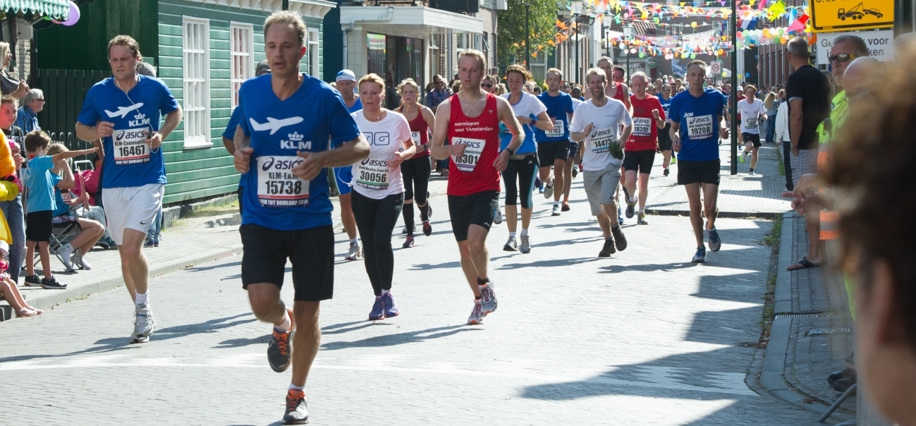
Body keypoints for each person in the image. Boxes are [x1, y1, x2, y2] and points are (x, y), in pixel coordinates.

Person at [231, 11, 369, 424]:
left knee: (310, 313)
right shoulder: (250, 92)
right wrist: (238, 152)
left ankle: (296, 392)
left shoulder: (323, 96)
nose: (278, 54)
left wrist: (325, 158)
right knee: (260, 302)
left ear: (301, 51)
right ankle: (280, 323)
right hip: (261, 216)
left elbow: (359, 146)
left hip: (310, 220)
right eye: (271, 46)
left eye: (286, 46)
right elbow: (237, 134)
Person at [788, 48, 909, 424]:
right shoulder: (841, 103)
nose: (835, 66)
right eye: (834, 61)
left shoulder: (876, 123)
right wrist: (824, 193)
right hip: (839, 214)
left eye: (842, 59)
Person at [74, 35, 183, 343]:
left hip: (148, 178)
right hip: (114, 183)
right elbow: (80, 129)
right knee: (124, 255)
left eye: (124, 59)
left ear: (136, 59)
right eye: (114, 60)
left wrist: (161, 134)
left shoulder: (154, 87)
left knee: (134, 247)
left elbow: (176, 111)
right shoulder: (99, 92)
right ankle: (139, 310)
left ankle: (144, 309)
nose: (119, 64)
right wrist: (96, 131)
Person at [429, 49, 523, 325]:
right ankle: (480, 299)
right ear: (457, 72)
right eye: (463, 70)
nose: (467, 75)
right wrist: (450, 149)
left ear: (482, 74)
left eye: (473, 70)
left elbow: (519, 133)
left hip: (486, 184)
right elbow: (435, 150)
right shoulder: (447, 107)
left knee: (476, 241)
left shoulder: (497, 105)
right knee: (464, 251)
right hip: (458, 187)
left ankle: (484, 284)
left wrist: (506, 153)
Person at [350, 73, 414, 319]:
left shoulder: (396, 120)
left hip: (391, 190)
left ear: (382, 95)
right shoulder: (353, 120)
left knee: (381, 240)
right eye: (364, 93)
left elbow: (411, 146)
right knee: (369, 244)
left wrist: (402, 156)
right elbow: (341, 146)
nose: (369, 98)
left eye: (374, 93)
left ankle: (388, 292)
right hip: (361, 190)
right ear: (360, 95)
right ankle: (378, 297)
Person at [668, 60, 729, 263]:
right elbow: (673, 127)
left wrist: (722, 127)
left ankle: (710, 226)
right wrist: (674, 138)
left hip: (710, 157)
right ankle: (700, 246)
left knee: (709, 208)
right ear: (687, 77)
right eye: (692, 75)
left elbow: (720, 118)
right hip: (688, 158)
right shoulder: (678, 101)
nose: (696, 79)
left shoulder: (716, 97)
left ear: (705, 77)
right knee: (695, 206)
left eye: (700, 75)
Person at [21, 131, 98, 288]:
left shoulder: (35, 167)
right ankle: (48, 278)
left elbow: (70, 184)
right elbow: (62, 155)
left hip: (33, 209)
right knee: (43, 244)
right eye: (46, 147)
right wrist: (85, 151)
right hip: (43, 210)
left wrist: (66, 167)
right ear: (39, 147)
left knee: (31, 243)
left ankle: (30, 275)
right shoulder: (39, 162)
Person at [569, 67, 631, 258]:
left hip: (611, 162)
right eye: (592, 82)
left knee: (607, 199)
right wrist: (584, 134)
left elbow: (629, 124)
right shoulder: (582, 108)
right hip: (590, 165)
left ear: (605, 83)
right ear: (587, 85)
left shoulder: (616, 105)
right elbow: (573, 135)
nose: (596, 86)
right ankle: (608, 240)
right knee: (598, 209)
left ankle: (616, 228)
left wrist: (622, 140)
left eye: (599, 82)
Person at [784, 36, 830, 270]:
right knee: (821, 199)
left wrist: (794, 143)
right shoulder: (822, 76)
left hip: (805, 146)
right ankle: (822, 250)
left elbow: (797, 114)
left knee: (808, 201)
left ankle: (815, 254)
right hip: (825, 143)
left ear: (790, 55)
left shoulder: (795, 78)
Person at [502, 64, 551, 252]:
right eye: (511, 81)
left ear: (524, 82)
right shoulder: (501, 101)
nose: (514, 85)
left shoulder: (531, 101)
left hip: (528, 153)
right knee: (510, 194)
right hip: (507, 154)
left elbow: (548, 126)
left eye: (518, 81)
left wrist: (529, 120)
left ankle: (525, 233)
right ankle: (511, 237)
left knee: (525, 196)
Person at [222, 59, 272, 216]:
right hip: (251, 182)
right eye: (261, 77)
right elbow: (228, 137)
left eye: (269, 77)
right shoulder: (245, 107)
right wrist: (242, 156)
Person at [46, 143, 106, 271]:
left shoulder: (57, 178)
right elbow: (72, 184)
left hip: (62, 215)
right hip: (56, 218)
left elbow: (66, 201)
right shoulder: (54, 179)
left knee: (99, 228)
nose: (68, 162)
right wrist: (67, 168)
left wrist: (79, 200)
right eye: (66, 159)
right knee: (96, 227)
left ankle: (78, 255)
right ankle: (67, 249)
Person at [395, 78, 435, 248]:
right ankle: (410, 234)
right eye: (406, 92)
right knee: (407, 197)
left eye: (412, 92)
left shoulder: (424, 112)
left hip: (421, 157)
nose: (409, 95)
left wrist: (424, 146)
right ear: (401, 95)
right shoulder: (396, 114)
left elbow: (438, 135)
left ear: (417, 94)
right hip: (404, 159)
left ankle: (425, 216)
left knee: (420, 196)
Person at [622, 72, 665, 225]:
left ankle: (641, 212)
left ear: (646, 85)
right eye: (635, 85)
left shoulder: (654, 101)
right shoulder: (628, 102)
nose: (638, 88)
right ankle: (631, 199)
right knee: (630, 181)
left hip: (648, 146)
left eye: (641, 85)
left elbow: (662, 125)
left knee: (643, 182)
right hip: (631, 146)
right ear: (631, 86)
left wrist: (657, 118)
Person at [333, 69, 363, 260]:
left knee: (363, 202)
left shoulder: (363, 101)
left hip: (361, 159)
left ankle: (367, 239)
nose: (344, 87)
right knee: (345, 201)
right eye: (341, 84)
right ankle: (353, 242)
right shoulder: (332, 103)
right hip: (340, 160)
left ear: (354, 84)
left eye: (348, 83)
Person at [534, 68, 572, 216]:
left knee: (558, 166)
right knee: (544, 175)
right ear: (546, 81)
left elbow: (571, 114)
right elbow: (534, 119)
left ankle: (556, 203)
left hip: (562, 138)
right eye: (550, 79)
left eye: (555, 79)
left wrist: (575, 128)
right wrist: (547, 121)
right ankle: (550, 183)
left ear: (560, 82)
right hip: (544, 139)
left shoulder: (566, 98)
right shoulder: (540, 99)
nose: (552, 82)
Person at [0, 96, 25, 284]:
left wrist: (20, 162)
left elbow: (21, 159)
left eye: (14, 111)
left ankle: (13, 283)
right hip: (1, 190)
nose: (12, 115)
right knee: (3, 240)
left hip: (14, 189)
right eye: (7, 111)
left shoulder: (17, 131)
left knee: (19, 239)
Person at [737, 84, 767, 176]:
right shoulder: (741, 103)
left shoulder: (758, 102)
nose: (749, 94)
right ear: (745, 93)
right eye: (748, 92)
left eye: (751, 92)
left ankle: (751, 170)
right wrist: (735, 125)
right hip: (745, 129)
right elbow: (735, 113)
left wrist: (764, 116)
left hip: (755, 129)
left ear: (754, 93)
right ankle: (745, 153)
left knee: (755, 151)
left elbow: (763, 113)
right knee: (750, 145)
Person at [657, 81, 675, 177]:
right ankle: (666, 159)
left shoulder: (673, 100)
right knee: (662, 146)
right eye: (665, 90)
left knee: (668, 146)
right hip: (661, 124)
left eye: (668, 90)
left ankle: (666, 167)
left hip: (670, 125)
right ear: (662, 91)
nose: (667, 92)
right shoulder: (658, 100)